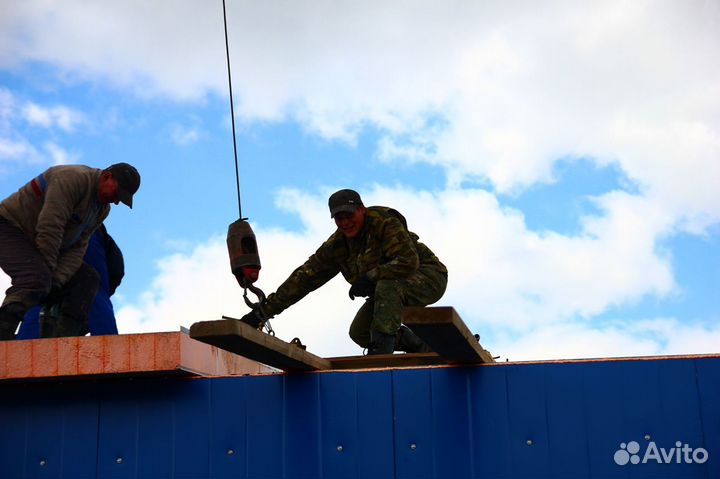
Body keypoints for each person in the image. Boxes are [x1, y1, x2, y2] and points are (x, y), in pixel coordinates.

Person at [241, 189, 448, 355]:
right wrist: (262, 313)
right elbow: (303, 279)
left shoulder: (383, 222)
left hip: (428, 276)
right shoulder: (337, 246)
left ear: (362, 210)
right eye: (339, 218)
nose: (345, 223)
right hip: (388, 294)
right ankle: (418, 345)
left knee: (387, 287)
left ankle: (381, 355)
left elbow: (407, 261)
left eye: (349, 216)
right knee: (360, 332)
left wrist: (370, 277)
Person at [0, 163, 140, 340]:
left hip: (42, 244)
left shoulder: (102, 209)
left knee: (87, 279)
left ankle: (63, 339)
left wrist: (57, 282)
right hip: (10, 228)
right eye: (117, 193)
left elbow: (78, 247)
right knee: (36, 279)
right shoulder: (71, 178)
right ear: (107, 176)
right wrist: (49, 274)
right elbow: (50, 227)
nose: (117, 201)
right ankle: (3, 333)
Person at [17, 224, 124, 339]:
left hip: (43, 233)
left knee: (41, 293)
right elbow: (116, 269)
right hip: (83, 233)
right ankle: (107, 343)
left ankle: (27, 342)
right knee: (95, 293)